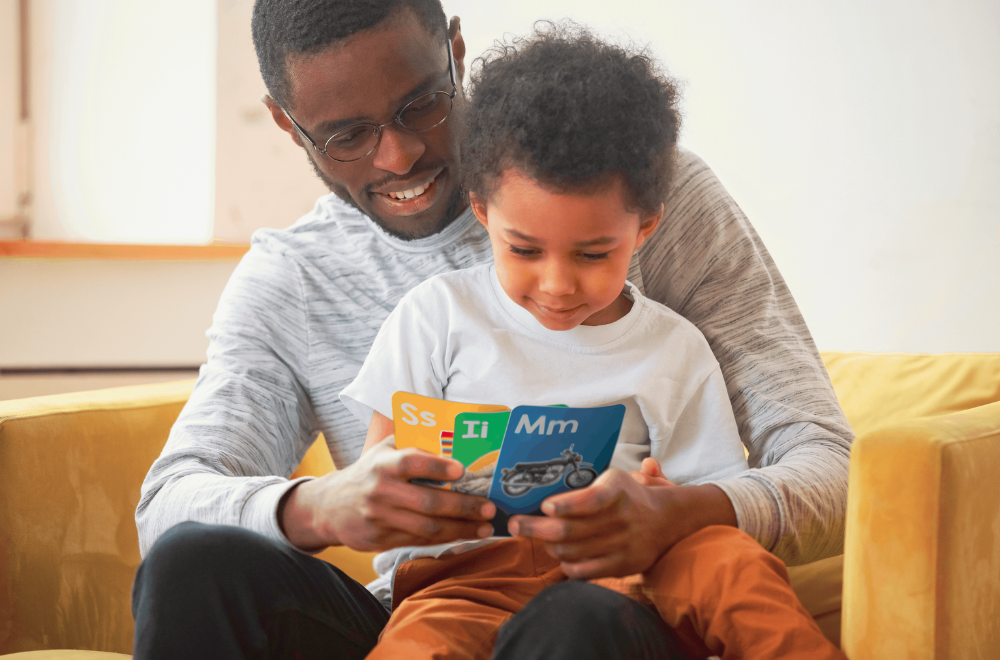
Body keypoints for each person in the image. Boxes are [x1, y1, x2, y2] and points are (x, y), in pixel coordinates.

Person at [131, 1, 853, 658]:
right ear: (289, 125)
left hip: (615, 608)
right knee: (192, 564)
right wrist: (322, 507)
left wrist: (685, 512)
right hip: (449, 598)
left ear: (456, 52)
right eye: (346, 136)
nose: (398, 156)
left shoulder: (638, 189)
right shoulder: (294, 281)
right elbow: (168, 505)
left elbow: (832, 464)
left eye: (422, 105)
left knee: (578, 619)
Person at [335, 25, 845, 660]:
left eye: (593, 253)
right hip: (474, 576)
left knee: (733, 567)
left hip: (636, 572)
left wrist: (667, 506)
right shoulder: (435, 317)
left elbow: (710, 493)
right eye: (523, 249)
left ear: (645, 228)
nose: (556, 284)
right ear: (484, 213)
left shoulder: (674, 347)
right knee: (419, 639)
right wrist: (409, 498)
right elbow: (375, 485)